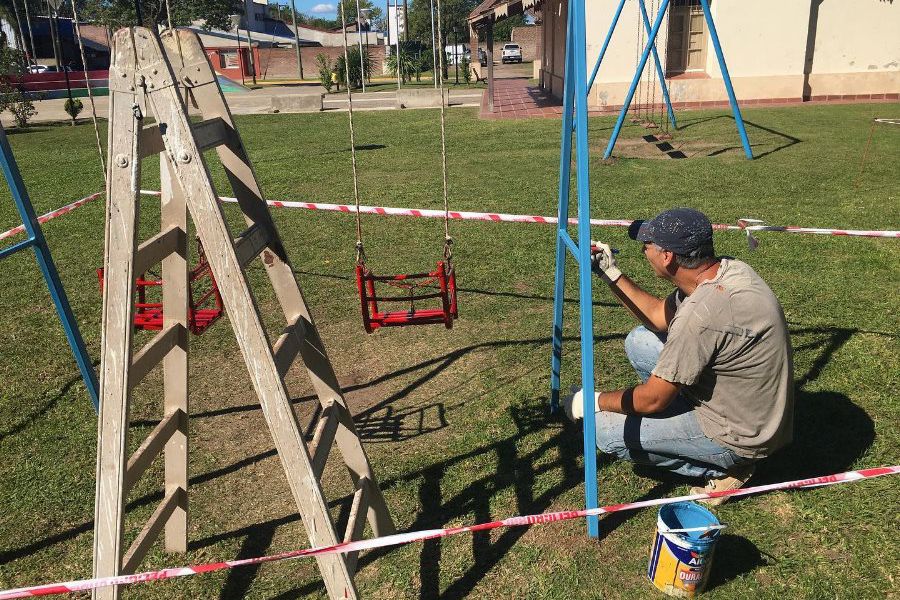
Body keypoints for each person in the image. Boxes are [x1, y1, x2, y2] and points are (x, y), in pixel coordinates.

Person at [563, 208, 794, 504]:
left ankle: (731, 465)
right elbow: (660, 317)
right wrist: (611, 273)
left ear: (668, 257)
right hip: (752, 407)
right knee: (641, 341)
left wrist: (591, 401)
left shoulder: (703, 314)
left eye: (647, 246)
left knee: (604, 431)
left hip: (742, 434)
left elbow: (652, 399)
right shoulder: (723, 271)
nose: (644, 251)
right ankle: (688, 419)